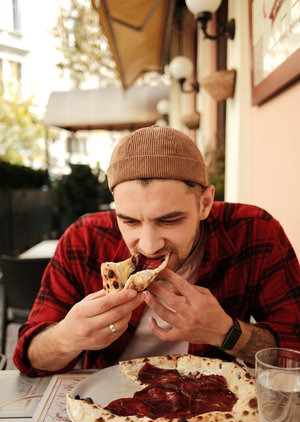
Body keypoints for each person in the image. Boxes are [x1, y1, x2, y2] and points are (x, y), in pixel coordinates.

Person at [13, 125, 300, 377]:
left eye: (169, 220)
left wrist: (227, 332)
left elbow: (296, 348)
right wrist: (68, 336)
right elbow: (29, 358)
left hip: (213, 405)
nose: (149, 245)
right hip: (109, 405)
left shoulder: (254, 231)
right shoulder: (85, 239)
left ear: (205, 203)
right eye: (130, 221)